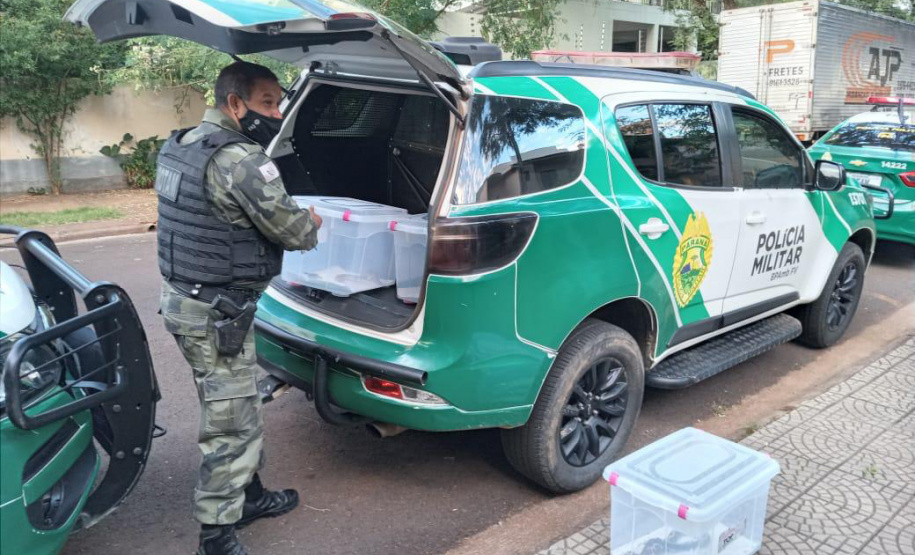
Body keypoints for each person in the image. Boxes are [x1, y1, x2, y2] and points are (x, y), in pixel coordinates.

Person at [156, 61, 322, 555]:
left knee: (236, 402)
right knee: (231, 421)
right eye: (267, 103)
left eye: (278, 102)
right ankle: (217, 534)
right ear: (235, 104)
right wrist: (310, 219)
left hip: (190, 301)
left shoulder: (182, 144)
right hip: (215, 313)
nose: (275, 113)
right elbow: (296, 233)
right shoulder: (241, 159)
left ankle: (248, 496)